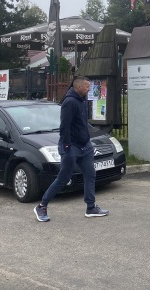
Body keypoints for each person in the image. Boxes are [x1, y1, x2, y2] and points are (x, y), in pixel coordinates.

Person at [34, 76, 108, 222]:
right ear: (79, 87)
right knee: (64, 178)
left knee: (90, 174)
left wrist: (87, 141)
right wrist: (67, 146)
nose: (89, 89)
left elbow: (82, 124)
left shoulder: (82, 101)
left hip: (84, 146)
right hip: (71, 146)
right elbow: (64, 126)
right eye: (87, 87)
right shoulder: (70, 102)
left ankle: (91, 207)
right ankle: (42, 206)